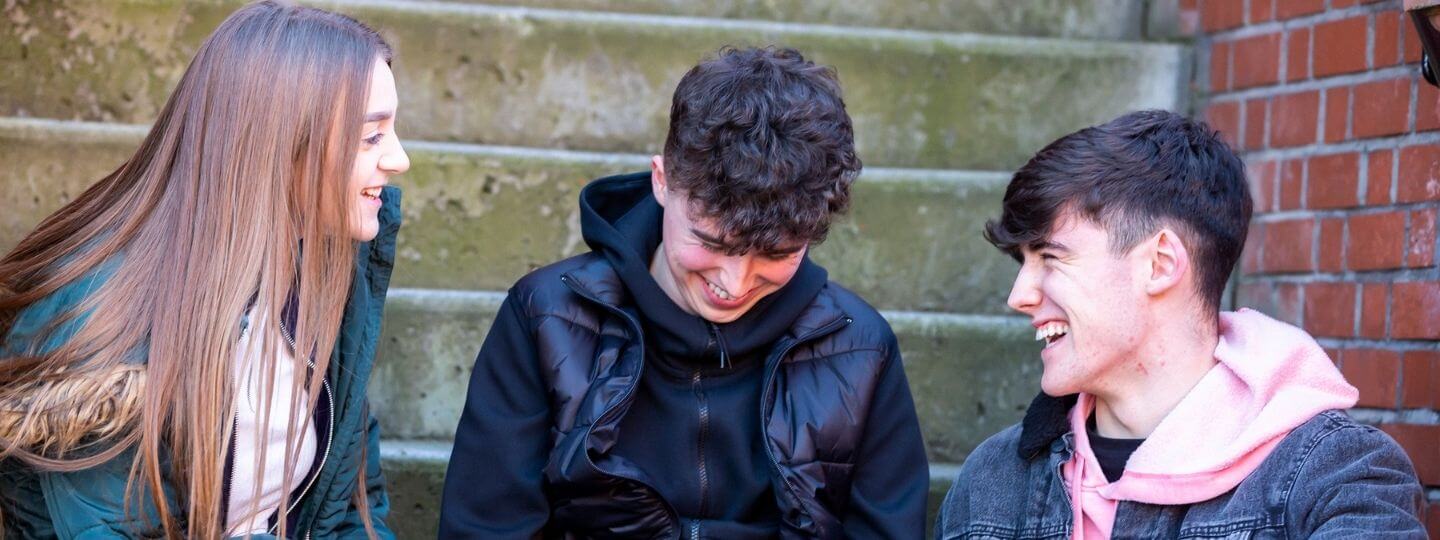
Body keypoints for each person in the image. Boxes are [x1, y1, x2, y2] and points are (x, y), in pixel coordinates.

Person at [438, 46, 929, 538]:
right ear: (661, 180)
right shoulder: (548, 316)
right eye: (710, 242)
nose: (733, 284)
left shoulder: (861, 347)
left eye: (775, 255)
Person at [0, 1, 411, 538]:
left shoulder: (327, 274)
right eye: (370, 136)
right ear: (277, 144)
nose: (399, 159)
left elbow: (352, 503)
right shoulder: (100, 314)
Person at [934, 110, 1426, 538]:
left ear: (1161, 263)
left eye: (1050, 257)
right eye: (1022, 262)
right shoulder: (992, 480)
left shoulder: (1339, 476)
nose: (1019, 296)